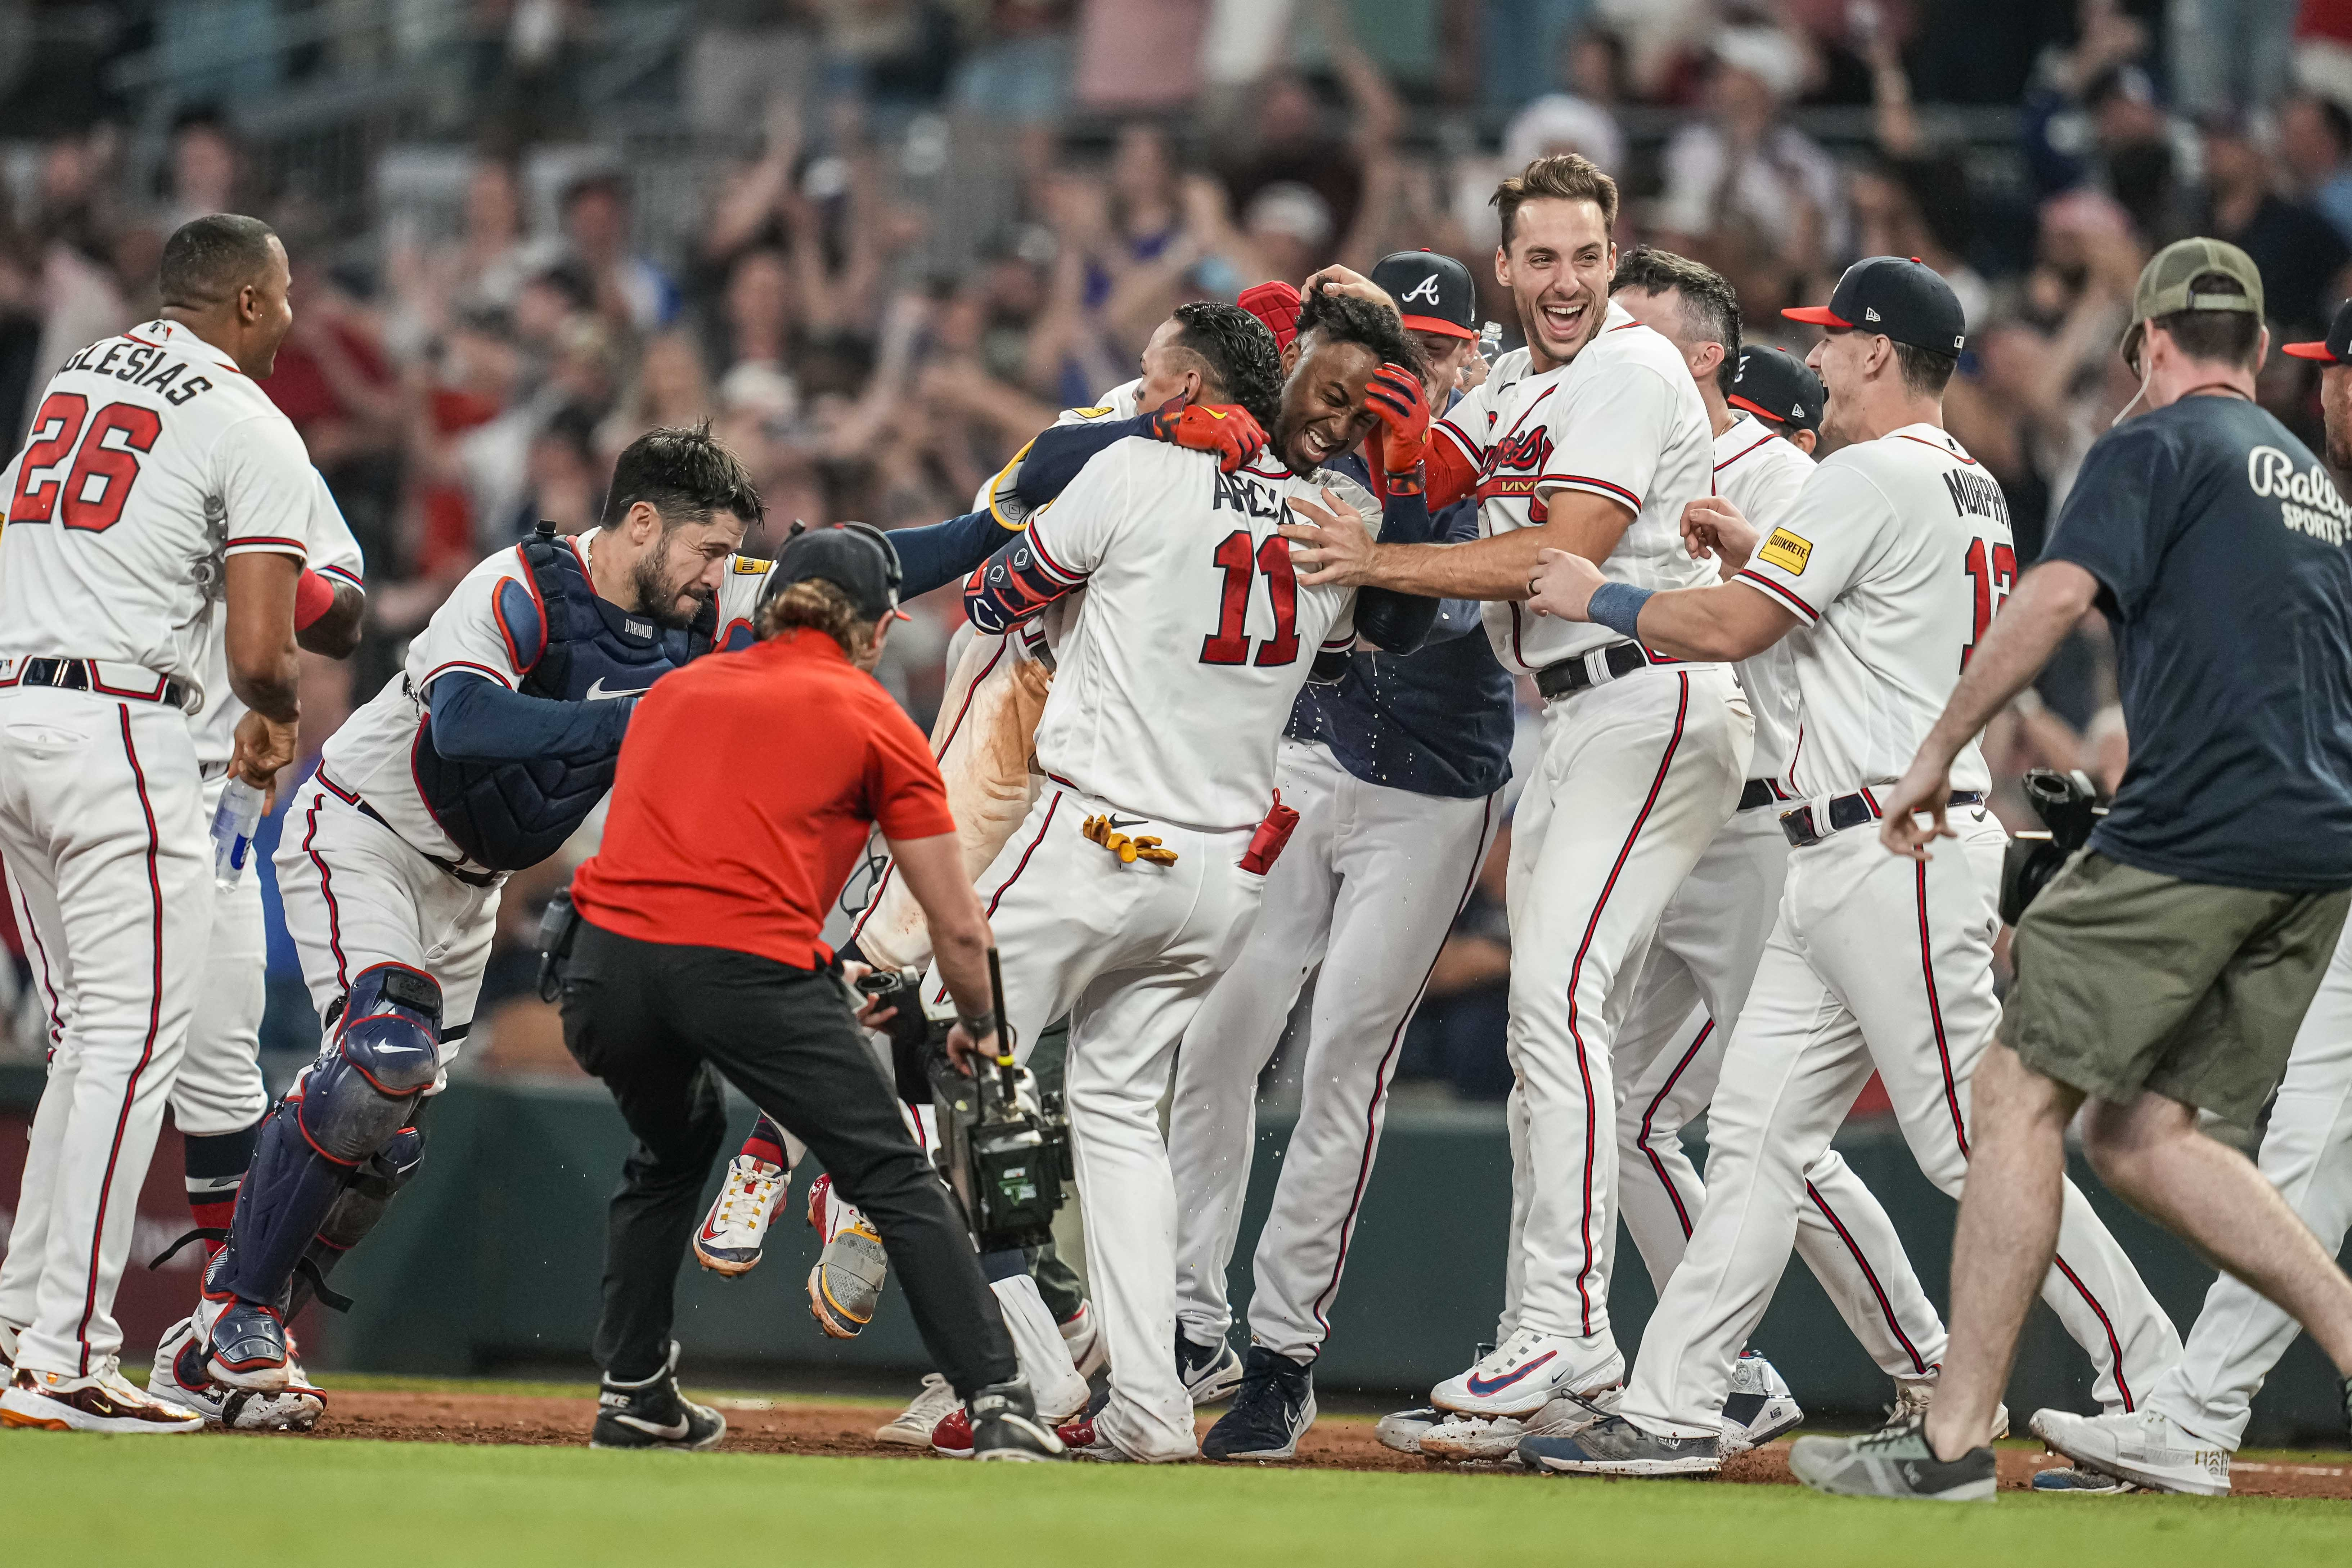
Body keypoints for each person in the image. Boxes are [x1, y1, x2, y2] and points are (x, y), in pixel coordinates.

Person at [1509, 256, 2178, 1486]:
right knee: (1757, 1136)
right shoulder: (1966, 482)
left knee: (1975, 1148)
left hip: (1897, 846)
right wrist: (1761, 541)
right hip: (1847, 853)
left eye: (1831, 340)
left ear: (1879, 350)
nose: (1813, 359)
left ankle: (2153, 1383)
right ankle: (1672, 1403)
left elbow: (1730, 628)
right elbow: (1867, 620)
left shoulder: (1867, 473)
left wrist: (1593, 589)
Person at [1799, 239, 2352, 1501]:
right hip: (2317, 848)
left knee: (2012, 1098)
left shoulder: (2155, 445)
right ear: (2258, 350)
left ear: (2147, 343)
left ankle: (1949, 1443)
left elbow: (2054, 598)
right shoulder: (2307, 477)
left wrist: (1940, 749)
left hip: (2203, 830)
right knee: (2144, 1133)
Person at [1408, 249, 1950, 1466]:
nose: (1611, 340)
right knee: (1626, 1108)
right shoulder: (1609, 444)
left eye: (1638, 326)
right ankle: (1709, 1376)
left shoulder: (1778, 466)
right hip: (1665, 796)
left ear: (1700, 353)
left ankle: (1923, 1362)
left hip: (1758, 814)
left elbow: (1778, 628)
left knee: (1774, 1130)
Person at [1281, 153, 1751, 1429]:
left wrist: (1375, 553)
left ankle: (1568, 1329)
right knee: (1553, 1042)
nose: (1567, 279)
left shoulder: (1631, 368)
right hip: (1576, 721)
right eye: (1541, 258)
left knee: (1553, 1001)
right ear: (1507, 268)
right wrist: (1368, 333)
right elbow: (1429, 449)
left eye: (1587, 257)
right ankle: (1556, 1361)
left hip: (1648, 692)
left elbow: (1561, 552)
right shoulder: (1513, 390)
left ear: (1614, 255)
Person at [192, 425, 772, 1394]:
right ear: (643, 522)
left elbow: (867, 566)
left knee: (391, 1138)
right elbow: (462, 723)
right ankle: (234, 1314)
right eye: (712, 549)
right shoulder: (518, 583)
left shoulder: (700, 607)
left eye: (727, 554)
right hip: (369, 829)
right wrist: (635, 716)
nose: (723, 571)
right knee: (377, 1065)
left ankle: (235, 1332)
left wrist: (1003, 520)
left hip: (473, 888)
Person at [931, 295, 1405, 1463]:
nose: (1134, 397)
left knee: (917, 1053)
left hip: (1096, 836)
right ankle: (1149, 1402)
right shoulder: (1320, 514)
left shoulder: (1134, 471)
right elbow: (1337, 653)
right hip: (1220, 877)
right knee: (1116, 1115)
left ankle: (1035, 1371)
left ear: (1188, 391)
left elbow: (988, 597)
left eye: (1149, 380)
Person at [556, 525, 1061, 1460]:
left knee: (669, 1153)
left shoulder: (677, 689)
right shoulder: (873, 716)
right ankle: (998, 1397)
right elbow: (954, 923)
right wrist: (982, 1036)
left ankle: (633, 1389)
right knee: (893, 1174)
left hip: (602, 964)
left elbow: (684, 859)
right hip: (742, 965)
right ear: (872, 625)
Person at [1165, 249, 1512, 1463]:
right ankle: (1187, 1319)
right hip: (1310, 759)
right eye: (1385, 351)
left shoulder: (1498, 437)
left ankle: (1281, 1354)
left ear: (1465, 355)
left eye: (1424, 350)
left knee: (1343, 1063)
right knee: (1217, 1034)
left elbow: (1430, 620)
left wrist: (1414, 487)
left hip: (1433, 784)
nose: (1396, 375)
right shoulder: (1306, 427)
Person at [2023, 299, 2352, 1496]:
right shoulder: (2316, 508)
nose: (2325, 395)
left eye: (2337, 375)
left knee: (2310, 1139)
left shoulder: (2303, 508)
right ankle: (2198, 1412)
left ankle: (2197, 1415)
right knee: (2309, 1137)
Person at [0, 214, 306, 1433]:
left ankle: (26, 1324)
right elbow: (258, 652)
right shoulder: (247, 420)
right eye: (280, 296)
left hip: (14, 709)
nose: (290, 315)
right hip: (120, 729)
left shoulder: (75, 381)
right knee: (135, 1047)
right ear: (240, 305)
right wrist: (275, 714)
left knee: (85, 1037)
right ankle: (70, 1353)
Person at [139, 467, 366, 1432]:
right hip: (116, 745)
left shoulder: (262, 449)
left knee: (226, 1073)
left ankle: (220, 1334)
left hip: (209, 774)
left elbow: (340, 606)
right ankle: (44, 1335)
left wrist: (265, 583)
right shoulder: (107, 421)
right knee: (105, 1051)